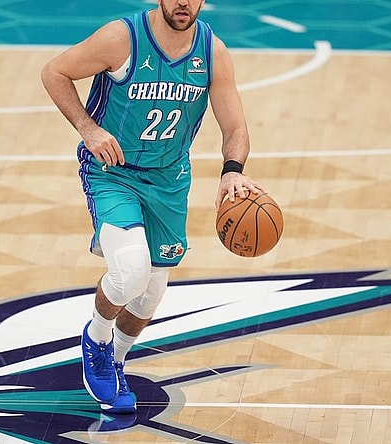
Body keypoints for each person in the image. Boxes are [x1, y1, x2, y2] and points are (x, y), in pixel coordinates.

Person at [41, 0, 265, 413]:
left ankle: (116, 361)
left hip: (169, 181)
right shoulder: (121, 38)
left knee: (149, 296)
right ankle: (96, 339)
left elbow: (235, 127)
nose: (184, 3)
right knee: (130, 270)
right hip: (114, 171)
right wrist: (89, 129)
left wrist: (232, 170)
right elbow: (54, 71)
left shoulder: (212, 51)